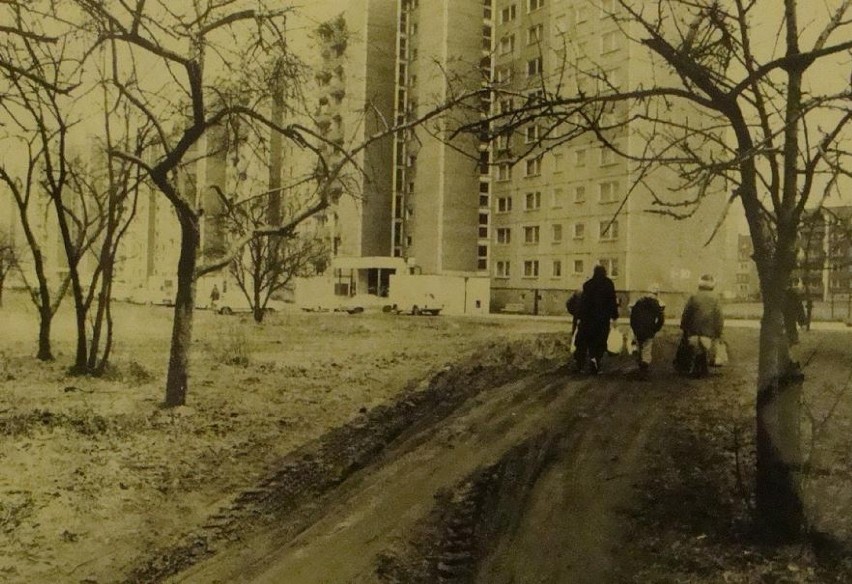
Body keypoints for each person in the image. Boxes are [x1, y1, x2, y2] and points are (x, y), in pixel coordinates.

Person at [574, 265, 619, 374]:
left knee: (583, 341)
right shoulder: (608, 284)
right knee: (599, 341)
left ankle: (580, 365)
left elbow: (583, 303)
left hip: (588, 319)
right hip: (602, 320)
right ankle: (595, 360)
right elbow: (612, 301)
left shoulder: (588, 285)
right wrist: (614, 315)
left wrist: (579, 316)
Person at [679, 274, 724, 377]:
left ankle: (696, 369)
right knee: (704, 348)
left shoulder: (694, 297)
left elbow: (687, 313)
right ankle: (702, 369)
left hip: (694, 330)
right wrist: (718, 331)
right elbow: (719, 317)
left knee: (695, 349)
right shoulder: (715, 299)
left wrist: (684, 327)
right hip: (708, 331)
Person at [629, 285, 665, 375]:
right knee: (647, 347)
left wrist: (634, 327)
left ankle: (639, 360)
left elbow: (633, 316)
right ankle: (644, 367)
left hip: (638, 328)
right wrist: (655, 329)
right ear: (657, 294)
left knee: (639, 345)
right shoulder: (657, 304)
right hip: (649, 329)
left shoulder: (639, 302)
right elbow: (661, 319)